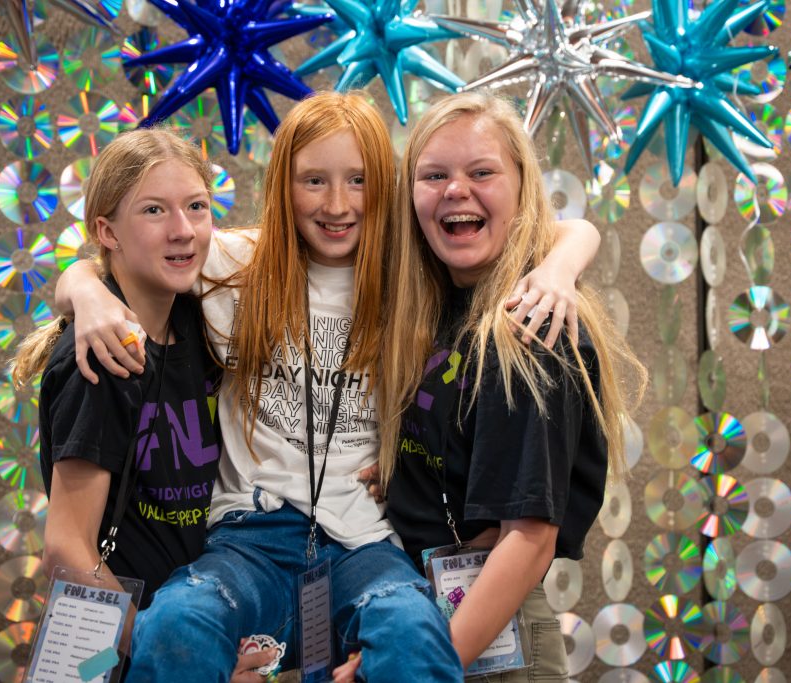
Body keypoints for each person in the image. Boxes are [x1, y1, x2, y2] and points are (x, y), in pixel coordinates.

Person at [56, 91, 602, 681]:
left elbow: (557, 228)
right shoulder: (234, 264)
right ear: (283, 186)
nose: (337, 204)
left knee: (410, 635)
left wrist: (560, 266)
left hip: (366, 543)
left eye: (358, 180)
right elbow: (117, 256)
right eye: (314, 180)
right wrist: (86, 291)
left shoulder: (411, 275)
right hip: (249, 536)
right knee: (176, 623)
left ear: (384, 187)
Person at [367, 92, 646, 681]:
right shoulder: (443, 301)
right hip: (423, 614)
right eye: (434, 175)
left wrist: (422, 666)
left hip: (484, 635)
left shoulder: (533, 327)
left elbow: (528, 541)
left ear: (522, 188)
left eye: (481, 172)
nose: (455, 189)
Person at [14, 128, 272, 681]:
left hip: (195, 620)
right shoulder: (101, 361)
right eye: (154, 210)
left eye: (196, 206)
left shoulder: (199, 320)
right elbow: (66, 550)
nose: (183, 230)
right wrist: (181, 650)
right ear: (107, 231)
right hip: (131, 645)